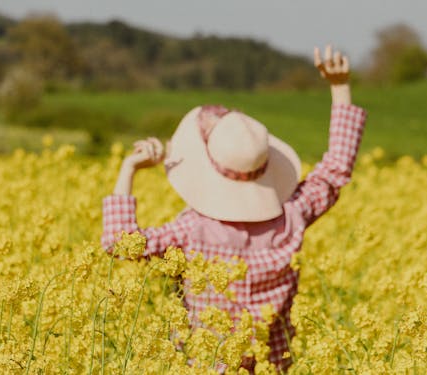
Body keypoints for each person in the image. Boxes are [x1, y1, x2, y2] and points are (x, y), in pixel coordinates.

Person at [101, 45, 367, 372]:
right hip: (272, 367)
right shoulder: (291, 219)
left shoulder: (191, 232)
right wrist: (340, 87)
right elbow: (336, 171)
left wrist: (129, 168)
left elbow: (119, 242)